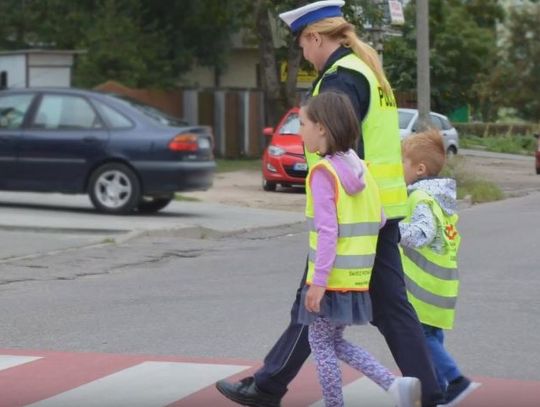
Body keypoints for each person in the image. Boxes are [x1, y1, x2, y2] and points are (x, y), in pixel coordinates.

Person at [216, 2, 443, 406]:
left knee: (314, 301)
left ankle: (268, 387)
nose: (303, 53)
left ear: (316, 37)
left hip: (349, 214)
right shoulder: (367, 69)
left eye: (303, 44)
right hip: (378, 208)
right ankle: (428, 389)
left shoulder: (341, 79)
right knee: (390, 308)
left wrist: (331, 201)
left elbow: (340, 142)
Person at [400, 130, 479, 407]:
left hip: (424, 289)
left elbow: (421, 233)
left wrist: (393, 229)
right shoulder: (441, 201)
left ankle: (455, 380)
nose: (400, 168)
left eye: (403, 162)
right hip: (442, 286)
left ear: (419, 169)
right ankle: (441, 388)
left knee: (422, 339)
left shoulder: (420, 198)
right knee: (433, 338)